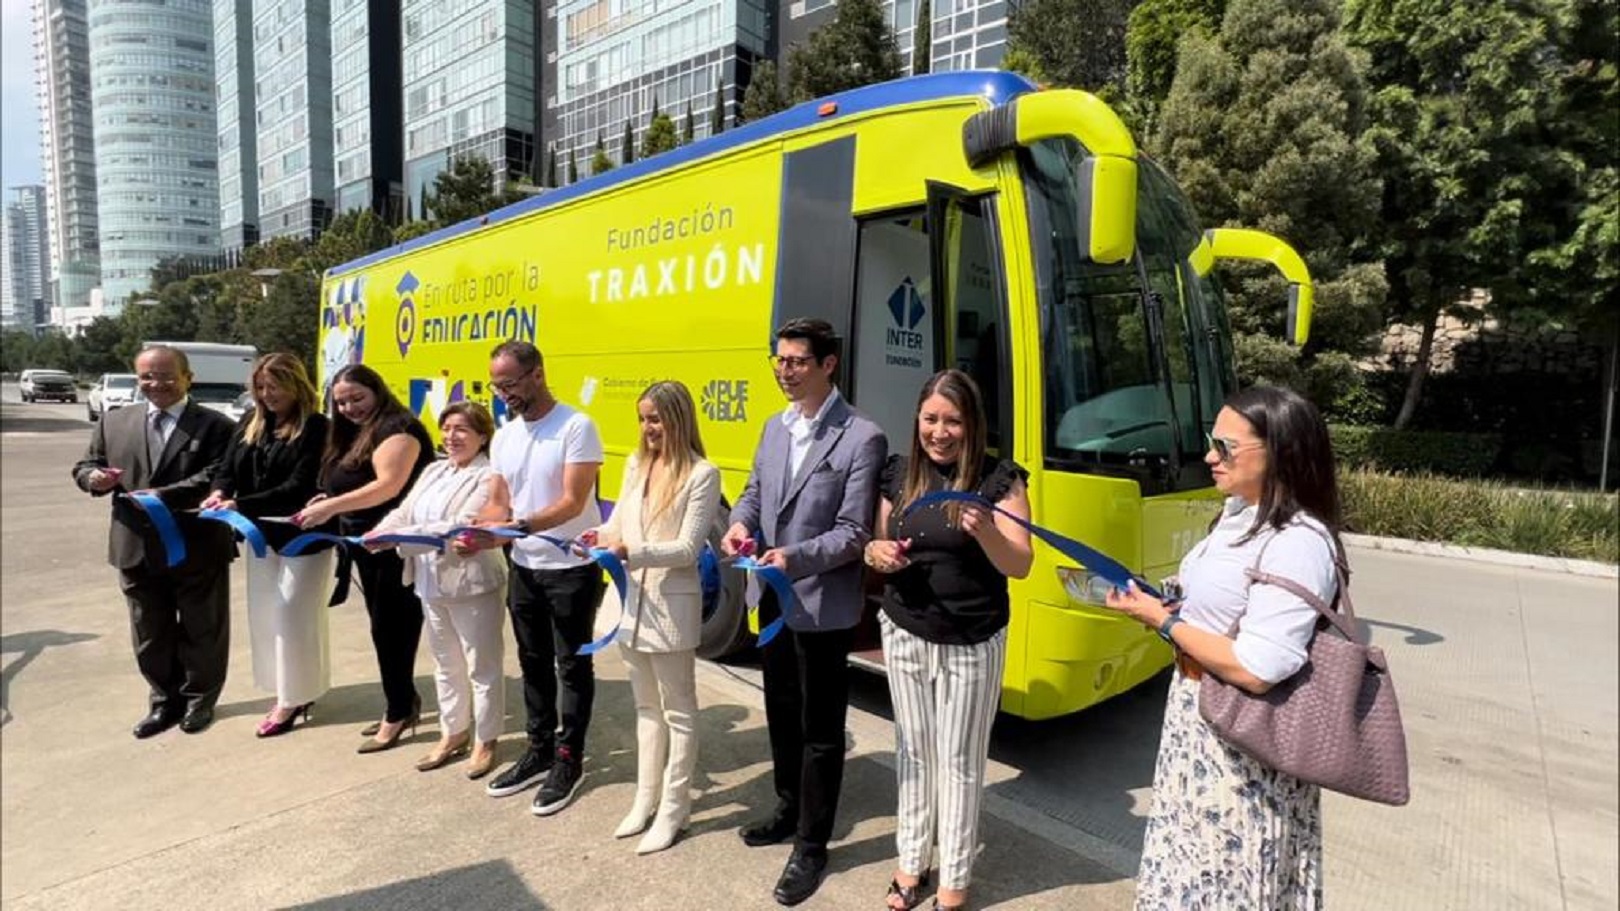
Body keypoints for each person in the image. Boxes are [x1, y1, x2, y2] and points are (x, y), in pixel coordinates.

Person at [1099, 386, 1341, 910]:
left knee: (1225, 883)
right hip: (1201, 726)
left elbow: (1259, 667)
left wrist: (1161, 621)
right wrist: (1165, 604)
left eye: (1225, 447)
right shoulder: (1240, 515)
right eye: (1211, 442)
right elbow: (1220, 611)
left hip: (1245, 744)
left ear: (1280, 452)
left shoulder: (1298, 541)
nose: (1210, 456)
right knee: (1188, 873)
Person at [721, 317, 888, 907]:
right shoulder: (775, 427)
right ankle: (788, 808)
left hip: (820, 603)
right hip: (769, 595)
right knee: (781, 711)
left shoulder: (861, 436)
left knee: (821, 728)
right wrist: (739, 524)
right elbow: (753, 493)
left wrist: (793, 557)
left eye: (795, 361)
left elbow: (852, 533)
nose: (784, 371)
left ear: (827, 365)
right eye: (779, 360)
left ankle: (812, 846)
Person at [863, 369, 1032, 911]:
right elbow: (880, 543)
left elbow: (1020, 564)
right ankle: (911, 862)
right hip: (904, 630)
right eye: (930, 419)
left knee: (959, 761)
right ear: (917, 420)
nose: (939, 432)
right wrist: (876, 554)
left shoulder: (999, 481)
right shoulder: (900, 474)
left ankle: (955, 879)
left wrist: (986, 531)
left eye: (953, 421)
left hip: (971, 639)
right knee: (913, 751)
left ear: (972, 424)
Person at [581, 380, 722, 855]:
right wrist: (597, 537)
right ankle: (645, 799)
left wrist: (630, 552)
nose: (648, 428)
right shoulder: (635, 464)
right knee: (645, 708)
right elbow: (617, 523)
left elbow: (687, 549)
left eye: (656, 419)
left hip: (670, 609)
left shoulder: (702, 474)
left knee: (678, 711)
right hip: (628, 605)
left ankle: (675, 808)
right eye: (643, 419)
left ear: (678, 418)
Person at [71, 345, 236, 737]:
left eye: (166, 376)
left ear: (188, 378)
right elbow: (86, 465)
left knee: (202, 629)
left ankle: (199, 700)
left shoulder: (217, 425)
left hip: (197, 545)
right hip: (135, 546)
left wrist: (162, 495)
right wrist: (93, 479)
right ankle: (164, 702)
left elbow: (218, 474)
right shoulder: (114, 421)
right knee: (149, 633)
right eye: (147, 376)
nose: (156, 384)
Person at [475, 340, 605, 817]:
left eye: (510, 384)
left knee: (571, 665)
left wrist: (518, 527)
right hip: (525, 567)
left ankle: (570, 758)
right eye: (496, 386)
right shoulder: (505, 435)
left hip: (571, 568)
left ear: (538, 374)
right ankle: (539, 749)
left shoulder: (576, 427)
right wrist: (479, 529)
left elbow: (573, 501)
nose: (504, 393)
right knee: (532, 661)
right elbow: (498, 500)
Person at [294, 364, 434, 753]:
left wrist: (331, 506)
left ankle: (398, 711)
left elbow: (387, 486)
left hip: (395, 548)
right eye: (341, 402)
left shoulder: (398, 429)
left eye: (357, 398)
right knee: (383, 627)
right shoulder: (353, 431)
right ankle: (402, 700)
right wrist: (329, 499)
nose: (349, 408)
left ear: (377, 391)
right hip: (364, 546)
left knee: (393, 630)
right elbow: (351, 479)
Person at [365, 401, 508, 780]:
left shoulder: (489, 475)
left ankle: (486, 739)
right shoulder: (434, 469)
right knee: (445, 664)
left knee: (482, 666)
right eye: (446, 429)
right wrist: (381, 530)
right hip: (430, 582)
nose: (451, 436)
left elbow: (459, 525)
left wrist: (398, 538)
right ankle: (453, 733)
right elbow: (406, 510)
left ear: (482, 436)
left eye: (461, 429)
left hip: (473, 584)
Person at [200, 353, 333, 738]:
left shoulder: (317, 427)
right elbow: (226, 468)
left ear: (296, 385)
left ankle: (293, 698)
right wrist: (219, 492)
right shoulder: (250, 421)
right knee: (266, 614)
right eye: (260, 387)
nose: (266, 394)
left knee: (294, 614)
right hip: (258, 534)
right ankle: (284, 687)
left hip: (302, 535)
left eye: (274, 387)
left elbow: (299, 486)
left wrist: (241, 504)